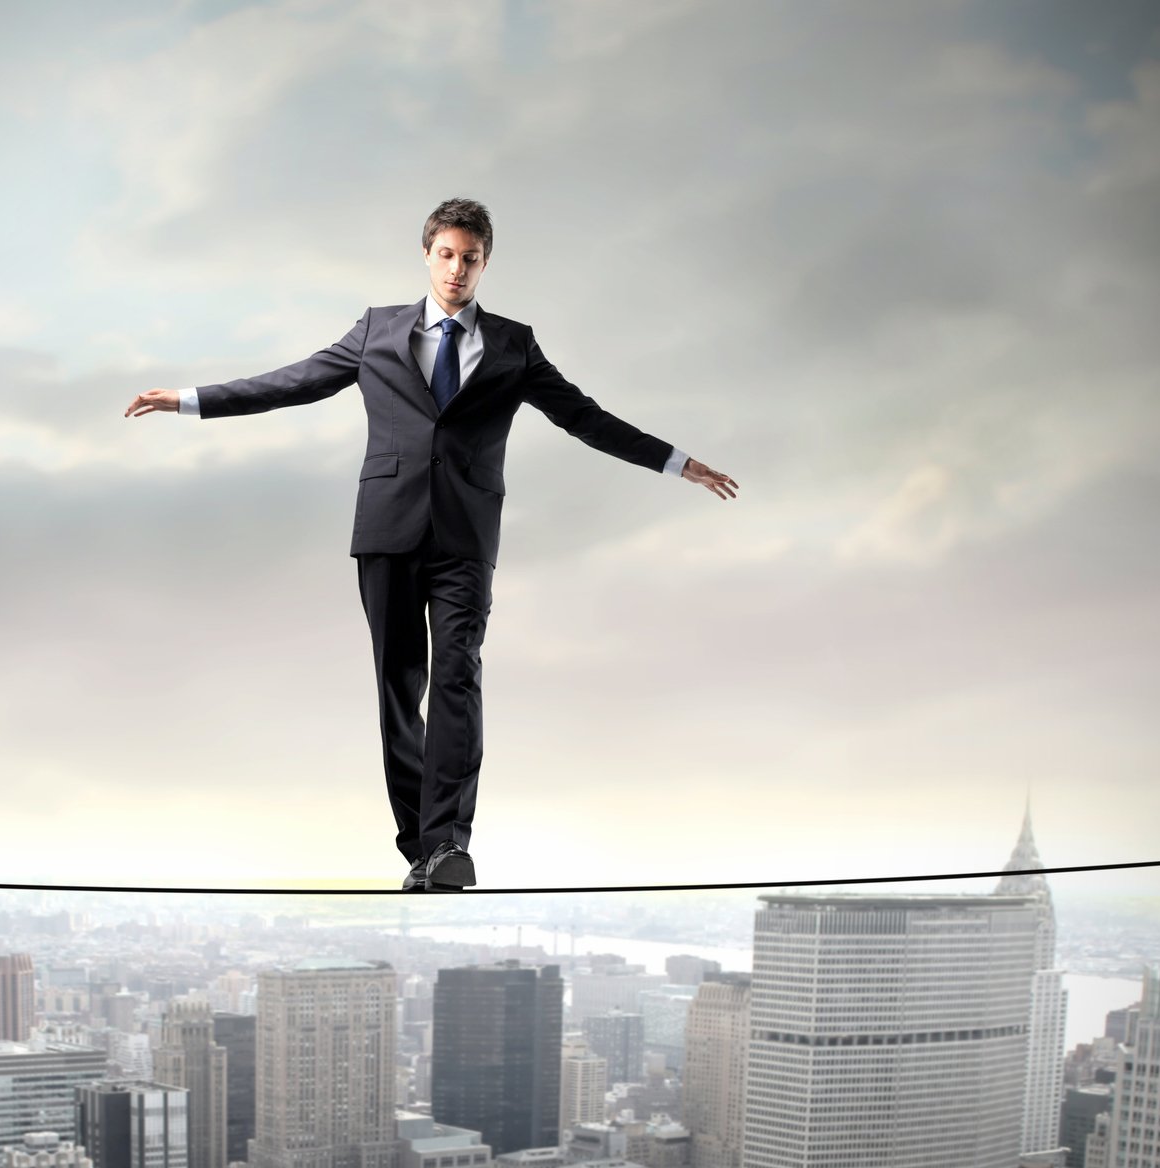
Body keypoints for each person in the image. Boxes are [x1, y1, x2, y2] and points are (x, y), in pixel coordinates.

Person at [125, 197, 737, 891]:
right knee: (397, 685)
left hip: (465, 536)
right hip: (387, 528)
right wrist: (189, 399)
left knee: (457, 675)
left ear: (486, 263)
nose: (456, 270)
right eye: (446, 255)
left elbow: (584, 417)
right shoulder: (376, 330)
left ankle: (448, 845)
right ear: (427, 255)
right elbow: (293, 382)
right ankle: (419, 847)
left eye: (470, 258)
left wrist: (675, 461)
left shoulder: (513, 345)